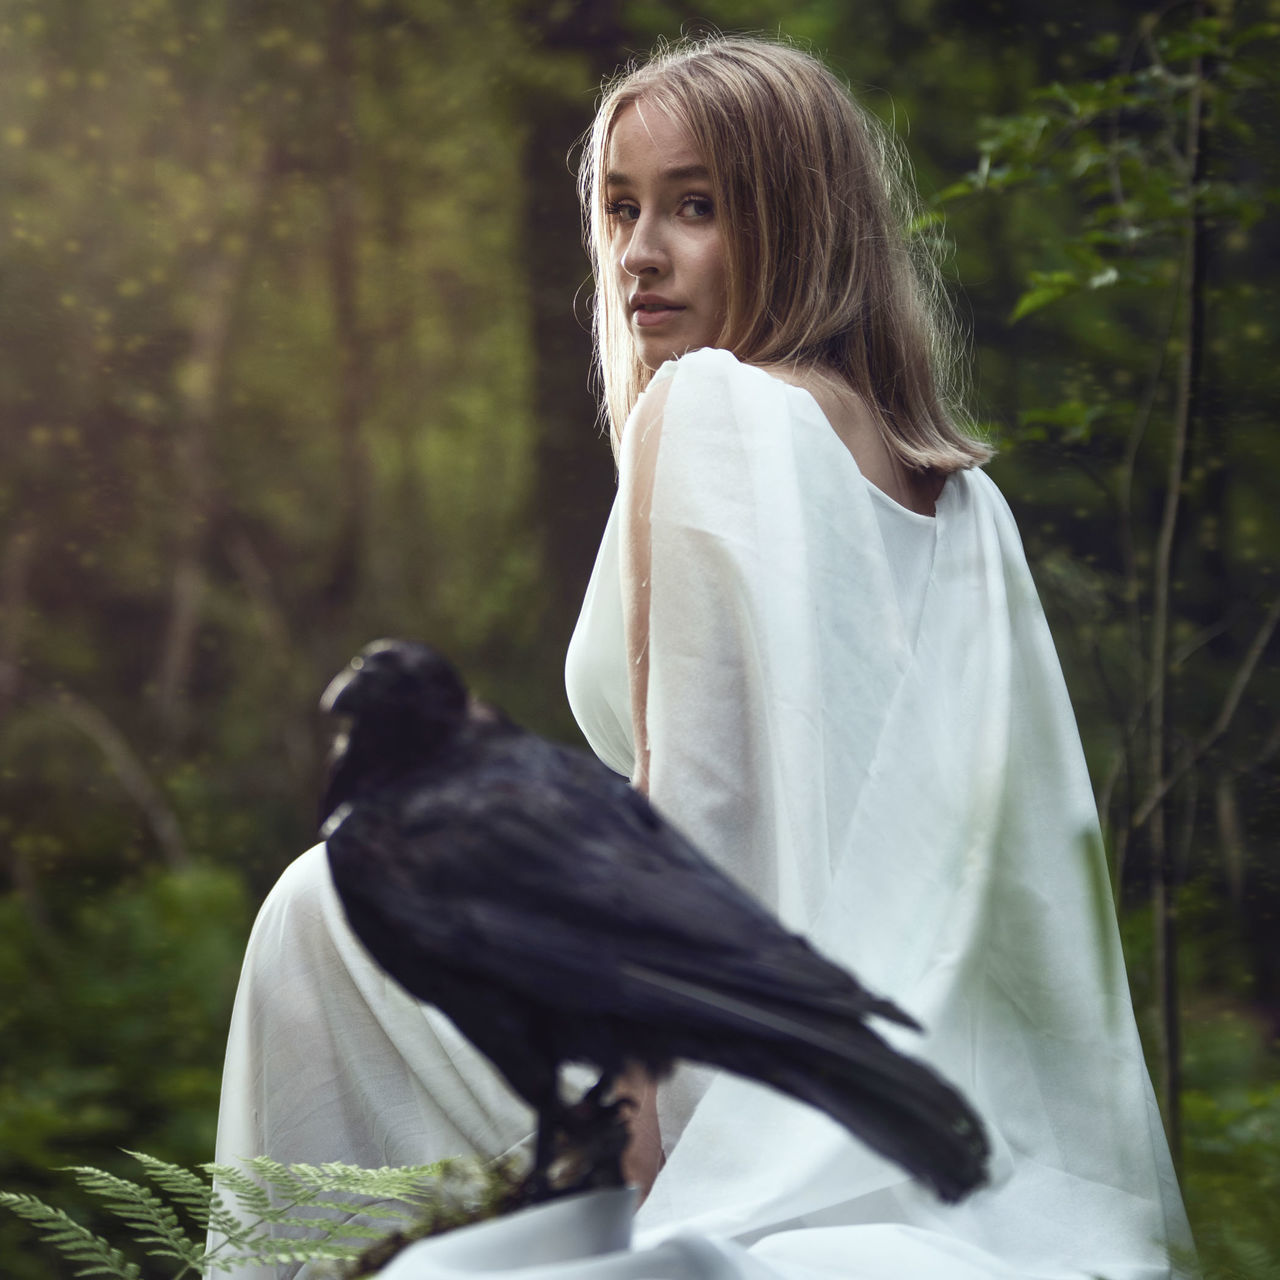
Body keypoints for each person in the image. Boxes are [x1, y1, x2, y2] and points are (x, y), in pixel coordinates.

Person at [208, 34, 1194, 1280]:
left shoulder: (713, 407)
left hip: (732, 1068)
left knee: (322, 903)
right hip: (916, 1070)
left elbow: (695, 811)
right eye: (619, 208)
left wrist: (639, 1109)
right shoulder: (955, 492)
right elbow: (1026, 870)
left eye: (696, 206)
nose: (638, 252)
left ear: (796, 218)